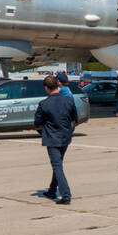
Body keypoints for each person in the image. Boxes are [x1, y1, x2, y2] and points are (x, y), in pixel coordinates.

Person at [34, 73, 78, 204]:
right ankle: (52, 190)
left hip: (52, 138)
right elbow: (74, 117)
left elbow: (37, 121)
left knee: (57, 166)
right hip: (65, 136)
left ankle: (66, 195)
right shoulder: (68, 100)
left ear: (47, 88)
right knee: (57, 164)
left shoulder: (44, 104)